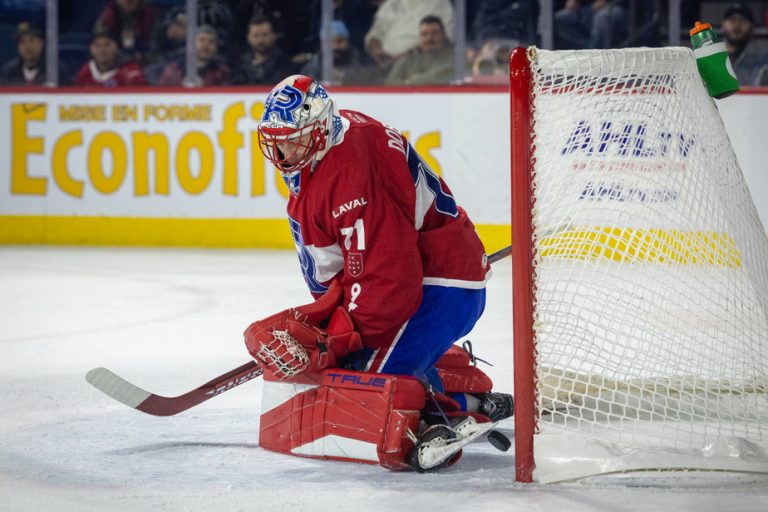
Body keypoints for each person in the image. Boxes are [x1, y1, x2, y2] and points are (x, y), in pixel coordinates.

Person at [243, 75, 513, 470]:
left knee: (364, 385)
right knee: (353, 372)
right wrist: (330, 326)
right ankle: (472, 398)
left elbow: (392, 282)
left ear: (319, 131)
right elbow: (350, 272)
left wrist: (338, 339)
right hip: (415, 279)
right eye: (276, 138)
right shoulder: (331, 148)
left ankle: (450, 413)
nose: (282, 151)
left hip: (440, 284)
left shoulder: (354, 174)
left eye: (293, 138)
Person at [364, 0, 453, 69]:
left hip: (420, 68)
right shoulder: (392, 4)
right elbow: (376, 31)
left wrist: (401, 58)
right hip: (380, 65)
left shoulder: (442, 5)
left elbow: (442, 42)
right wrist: (376, 48)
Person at [301, 19, 378, 85]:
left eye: (340, 41)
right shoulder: (310, 69)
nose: (335, 47)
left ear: (348, 41)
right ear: (321, 44)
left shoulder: (364, 65)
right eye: (329, 42)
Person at [385, 15, 454, 85]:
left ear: (444, 35)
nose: (429, 38)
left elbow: (440, 76)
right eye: (424, 34)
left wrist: (410, 83)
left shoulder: (455, 55)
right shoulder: (409, 57)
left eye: (435, 33)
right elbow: (390, 82)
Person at [74, 26, 147, 87]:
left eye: (107, 45)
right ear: (91, 49)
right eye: (97, 45)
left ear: (117, 48)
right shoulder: (86, 71)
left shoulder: (131, 71)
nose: (102, 50)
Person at [157, 25, 230, 86]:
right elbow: (161, 95)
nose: (206, 45)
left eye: (211, 41)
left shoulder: (222, 72)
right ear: (191, 44)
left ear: (216, 47)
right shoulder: (175, 69)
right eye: (202, 40)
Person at [1, 22, 70, 86]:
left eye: (32, 40)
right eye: (22, 41)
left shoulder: (56, 70)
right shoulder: (10, 71)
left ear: (41, 43)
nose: (27, 46)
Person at [232, 17, 294, 85]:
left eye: (265, 35)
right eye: (256, 35)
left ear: (274, 36)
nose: (260, 40)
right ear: (248, 37)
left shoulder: (285, 64)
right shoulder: (239, 64)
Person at [721, 3, 768, 86]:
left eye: (743, 20)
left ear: (752, 27)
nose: (737, 24)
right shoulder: (711, 54)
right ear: (723, 25)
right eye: (732, 19)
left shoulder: (763, 58)